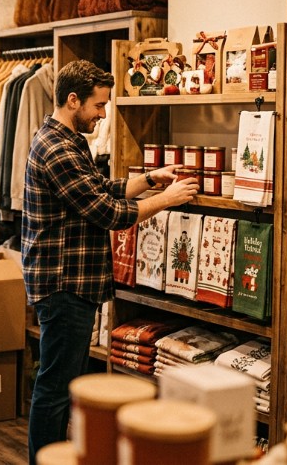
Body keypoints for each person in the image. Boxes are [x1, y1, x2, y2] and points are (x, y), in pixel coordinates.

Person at [22, 60, 197, 463]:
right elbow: (108, 213)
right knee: (55, 388)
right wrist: (166, 200)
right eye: (99, 106)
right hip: (63, 283)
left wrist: (150, 179)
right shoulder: (57, 148)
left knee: (64, 382)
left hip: (70, 281)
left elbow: (102, 187)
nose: (103, 114)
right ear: (72, 100)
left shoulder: (67, 140)